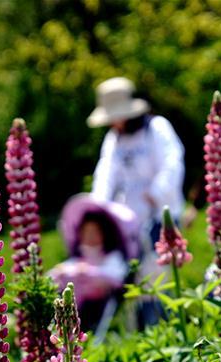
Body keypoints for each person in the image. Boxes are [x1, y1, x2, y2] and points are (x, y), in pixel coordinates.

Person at [87, 77, 186, 325]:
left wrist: (156, 192)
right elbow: (105, 174)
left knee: (158, 278)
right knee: (136, 281)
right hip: (129, 220)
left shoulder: (156, 128)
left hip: (160, 216)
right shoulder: (114, 139)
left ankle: (164, 326)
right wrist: (98, 207)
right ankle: (142, 331)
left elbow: (173, 162)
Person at [49, 194, 139, 333]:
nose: (90, 236)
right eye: (86, 232)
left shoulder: (112, 257)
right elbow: (56, 273)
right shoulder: (78, 258)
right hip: (72, 313)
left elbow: (117, 277)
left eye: (95, 232)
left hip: (97, 309)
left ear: (104, 233)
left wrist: (88, 273)